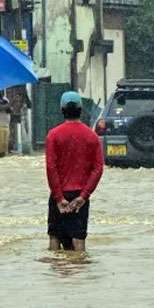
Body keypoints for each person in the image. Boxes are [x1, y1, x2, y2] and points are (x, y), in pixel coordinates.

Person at [45, 91, 104, 251]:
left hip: (60, 196)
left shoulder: (53, 135)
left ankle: (54, 275)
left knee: (55, 239)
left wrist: (58, 198)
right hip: (80, 196)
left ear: (62, 109)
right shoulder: (92, 137)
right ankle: (80, 275)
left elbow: (51, 168)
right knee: (79, 241)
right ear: (81, 110)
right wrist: (83, 196)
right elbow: (98, 169)